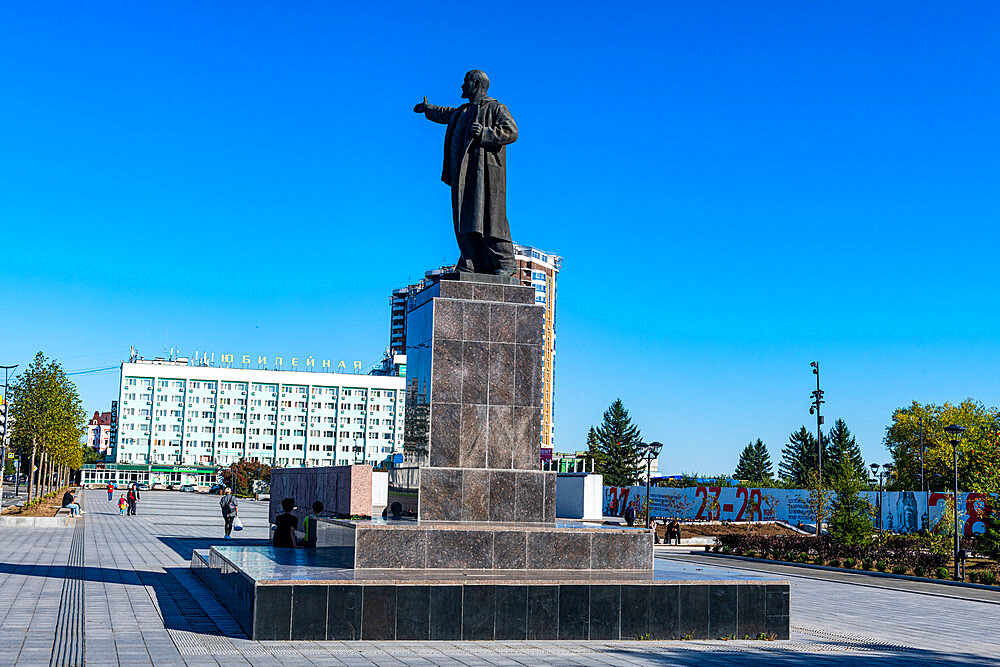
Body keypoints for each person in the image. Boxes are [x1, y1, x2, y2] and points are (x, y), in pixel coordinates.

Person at [413, 70, 519, 276]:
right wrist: (427, 108)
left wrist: (486, 133)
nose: (462, 86)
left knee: (490, 219)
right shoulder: (462, 112)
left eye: (465, 82)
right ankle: (469, 260)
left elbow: (511, 131)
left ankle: (505, 262)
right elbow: (444, 113)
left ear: (476, 84)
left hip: (486, 176)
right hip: (464, 176)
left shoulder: (496, 107)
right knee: (465, 219)